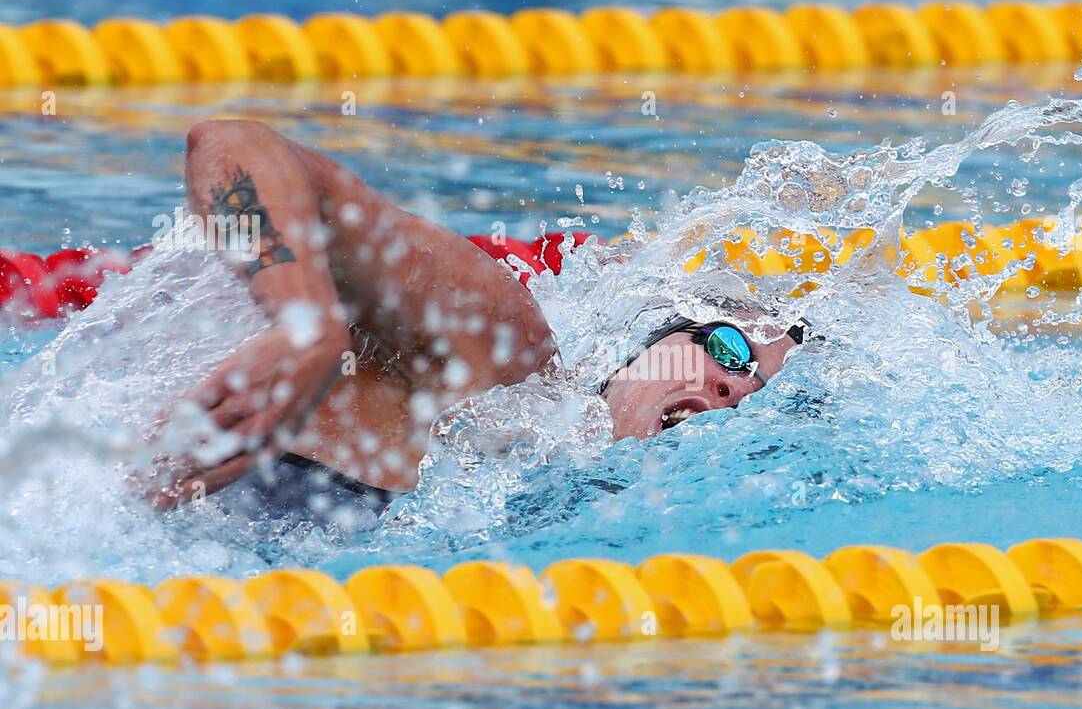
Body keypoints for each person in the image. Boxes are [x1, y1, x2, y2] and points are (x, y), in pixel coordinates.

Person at [136, 119, 802, 517]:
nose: (734, 388)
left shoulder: (565, 517)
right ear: (650, 342)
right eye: (730, 348)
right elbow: (232, 143)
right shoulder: (503, 355)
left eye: (760, 397)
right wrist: (304, 323)